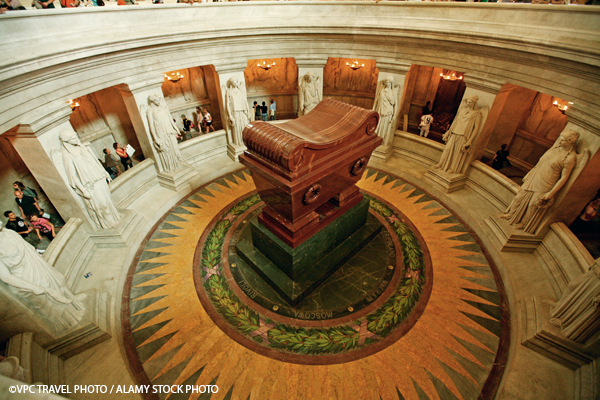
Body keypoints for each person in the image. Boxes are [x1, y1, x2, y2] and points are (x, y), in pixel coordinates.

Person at [0, 221, 84, 332]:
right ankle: (68, 321)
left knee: (56, 282)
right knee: (47, 298)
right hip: (24, 277)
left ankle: (73, 305)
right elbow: (6, 277)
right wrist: (33, 287)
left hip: (34, 265)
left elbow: (29, 248)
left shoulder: (7, 233)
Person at [501, 129, 580, 234]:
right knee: (518, 197)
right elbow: (540, 162)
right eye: (560, 138)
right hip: (536, 176)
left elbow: (564, 178)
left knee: (532, 204)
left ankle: (523, 223)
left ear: (571, 142)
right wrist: (530, 174)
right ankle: (512, 214)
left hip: (547, 182)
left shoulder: (570, 158)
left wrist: (551, 193)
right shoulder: (555, 149)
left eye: (563, 140)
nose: (560, 142)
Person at [60, 130, 121, 230]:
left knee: (108, 199)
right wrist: (83, 191)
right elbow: (72, 176)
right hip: (89, 183)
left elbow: (93, 162)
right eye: (73, 138)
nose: (76, 139)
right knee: (102, 204)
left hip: (98, 177)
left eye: (76, 136)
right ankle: (109, 222)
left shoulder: (82, 147)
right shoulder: (67, 154)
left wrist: (104, 173)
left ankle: (115, 217)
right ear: (66, 141)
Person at [434, 95, 483, 174]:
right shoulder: (463, 110)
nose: (468, 103)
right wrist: (448, 132)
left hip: (463, 136)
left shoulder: (477, 114)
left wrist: (469, 141)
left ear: (474, 103)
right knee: (447, 149)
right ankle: (441, 164)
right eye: (467, 101)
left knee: (457, 153)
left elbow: (476, 128)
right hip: (454, 133)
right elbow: (455, 121)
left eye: (470, 102)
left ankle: (452, 168)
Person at [146, 93, 185, 173]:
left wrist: (176, 127)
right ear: (152, 101)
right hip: (161, 134)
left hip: (169, 131)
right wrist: (156, 138)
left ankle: (178, 164)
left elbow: (170, 118)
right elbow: (151, 126)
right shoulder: (150, 111)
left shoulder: (163, 107)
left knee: (174, 148)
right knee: (167, 151)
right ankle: (170, 167)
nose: (159, 101)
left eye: (159, 99)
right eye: (157, 100)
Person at [373, 76, 399, 147]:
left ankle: (382, 141)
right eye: (387, 81)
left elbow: (395, 104)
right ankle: (374, 140)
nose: (388, 83)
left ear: (391, 83)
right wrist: (373, 110)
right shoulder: (382, 90)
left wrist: (394, 116)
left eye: (389, 81)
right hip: (380, 110)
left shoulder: (393, 92)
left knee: (384, 128)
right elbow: (376, 101)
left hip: (387, 112)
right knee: (377, 126)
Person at [224, 77, 250, 146]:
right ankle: (239, 142)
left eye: (236, 81)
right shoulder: (229, 92)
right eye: (234, 82)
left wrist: (248, 111)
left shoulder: (240, 90)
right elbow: (227, 104)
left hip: (243, 111)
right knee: (237, 128)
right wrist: (230, 116)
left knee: (245, 126)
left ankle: (246, 141)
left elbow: (245, 101)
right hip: (235, 112)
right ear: (231, 83)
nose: (236, 83)